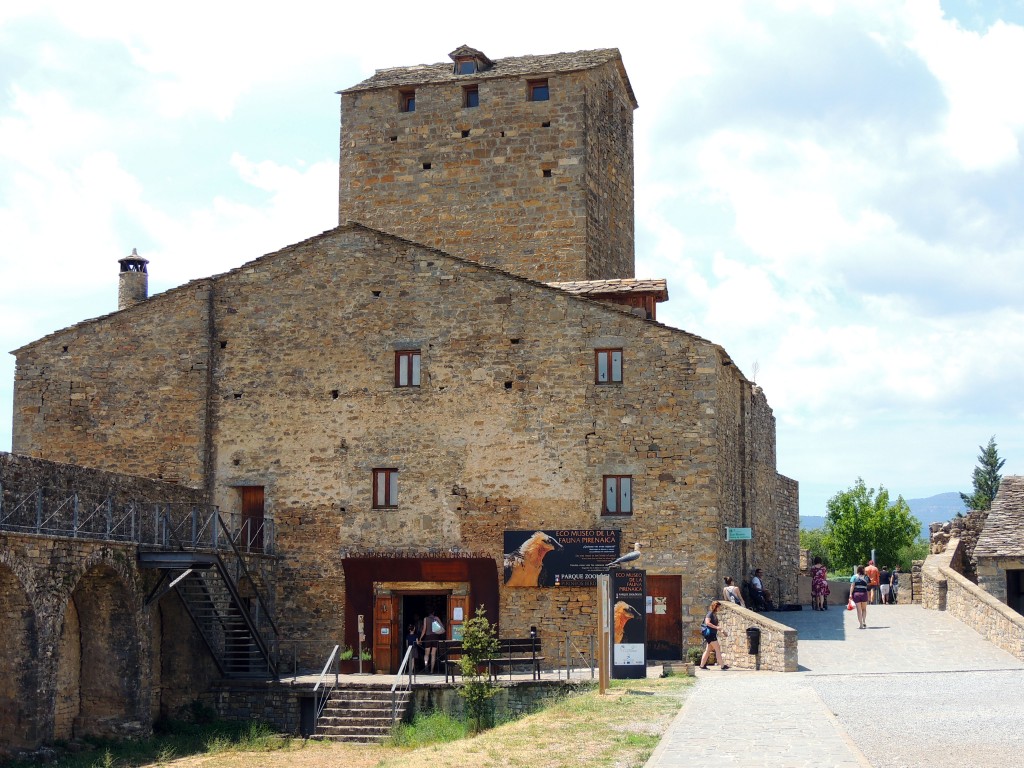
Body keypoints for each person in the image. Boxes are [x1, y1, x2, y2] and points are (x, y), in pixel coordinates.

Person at [698, 600, 729, 670]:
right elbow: (707, 623)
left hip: (712, 634)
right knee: (717, 648)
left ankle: (702, 665)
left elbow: (715, 625)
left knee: (708, 650)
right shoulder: (710, 613)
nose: (719, 608)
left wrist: (721, 630)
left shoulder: (714, 614)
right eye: (719, 607)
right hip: (710, 634)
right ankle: (722, 666)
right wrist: (717, 627)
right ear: (715, 607)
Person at [419, 607, 445, 674]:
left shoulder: (425, 619)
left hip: (428, 638)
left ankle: (426, 666)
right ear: (433, 612)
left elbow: (424, 630)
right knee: (433, 654)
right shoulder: (436, 618)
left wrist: (420, 638)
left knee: (426, 654)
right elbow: (442, 627)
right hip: (435, 637)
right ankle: (432, 670)